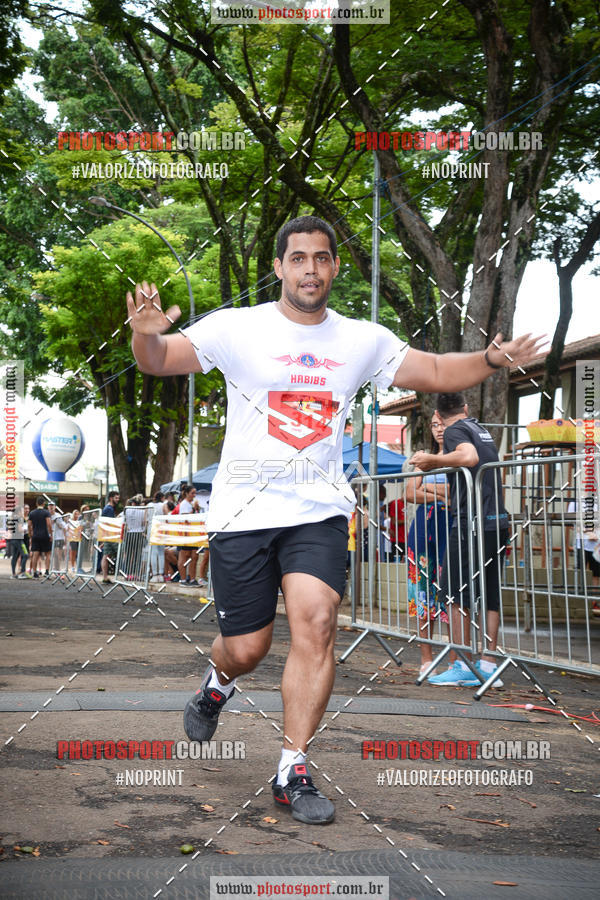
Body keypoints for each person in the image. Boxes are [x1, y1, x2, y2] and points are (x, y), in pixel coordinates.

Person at [128, 214, 541, 824]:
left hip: (319, 509)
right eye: (298, 259)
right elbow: (159, 360)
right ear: (279, 268)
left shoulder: (361, 340)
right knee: (247, 647)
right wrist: (144, 333)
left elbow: (431, 370)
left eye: (321, 259)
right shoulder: (237, 328)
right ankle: (217, 683)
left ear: (335, 267)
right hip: (243, 510)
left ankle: (291, 769)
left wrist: (488, 357)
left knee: (318, 623)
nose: (311, 270)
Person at [410, 393, 509, 688]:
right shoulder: (480, 428)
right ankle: (488, 663)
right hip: (496, 521)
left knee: (453, 592)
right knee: (490, 593)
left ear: (439, 415)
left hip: (472, 524)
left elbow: (468, 457)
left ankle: (463, 663)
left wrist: (432, 459)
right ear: (465, 408)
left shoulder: (455, 430)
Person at [406, 412, 452, 675]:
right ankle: (426, 660)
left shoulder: (462, 455)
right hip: (423, 530)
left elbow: (460, 492)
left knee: (453, 593)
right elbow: (410, 493)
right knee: (422, 593)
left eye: (443, 424)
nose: (439, 429)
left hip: (451, 530)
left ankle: (456, 661)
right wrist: (442, 494)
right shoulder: (422, 458)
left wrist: (430, 490)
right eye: (435, 425)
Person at [177, 484, 200, 585]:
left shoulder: (191, 503)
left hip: (193, 533)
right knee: (184, 555)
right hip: (185, 533)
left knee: (195, 556)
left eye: (195, 493)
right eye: (192, 493)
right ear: (186, 493)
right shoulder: (184, 504)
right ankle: (182, 579)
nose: (194, 495)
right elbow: (184, 517)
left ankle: (192, 578)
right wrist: (194, 510)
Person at [28, 496, 52, 577]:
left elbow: (29, 525)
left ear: (36, 503)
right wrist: (51, 534)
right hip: (45, 535)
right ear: (44, 504)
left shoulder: (32, 513)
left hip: (35, 535)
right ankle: (47, 572)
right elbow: (49, 524)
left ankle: (34, 572)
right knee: (48, 553)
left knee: (35, 554)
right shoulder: (46, 512)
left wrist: (30, 535)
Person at [100, 490, 120, 583]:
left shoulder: (108, 508)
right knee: (120, 553)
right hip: (111, 536)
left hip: (108, 536)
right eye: (116, 498)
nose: (118, 500)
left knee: (106, 555)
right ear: (111, 498)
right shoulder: (109, 509)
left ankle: (105, 577)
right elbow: (109, 524)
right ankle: (109, 576)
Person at [7, 506, 29, 578]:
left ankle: (13, 574)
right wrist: (26, 530)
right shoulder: (19, 518)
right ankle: (22, 573)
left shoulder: (13, 518)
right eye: (22, 511)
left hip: (13, 540)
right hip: (19, 540)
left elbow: (10, 530)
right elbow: (20, 529)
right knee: (25, 555)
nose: (23, 512)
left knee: (15, 557)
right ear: (19, 512)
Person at [48, 502, 68, 575]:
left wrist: (66, 537)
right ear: (48, 507)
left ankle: (58, 571)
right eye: (50, 506)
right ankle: (54, 569)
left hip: (58, 538)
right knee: (52, 555)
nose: (51, 507)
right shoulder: (47, 515)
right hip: (50, 537)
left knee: (57, 555)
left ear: (55, 507)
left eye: (52, 506)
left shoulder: (58, 515)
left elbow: (64, 527)